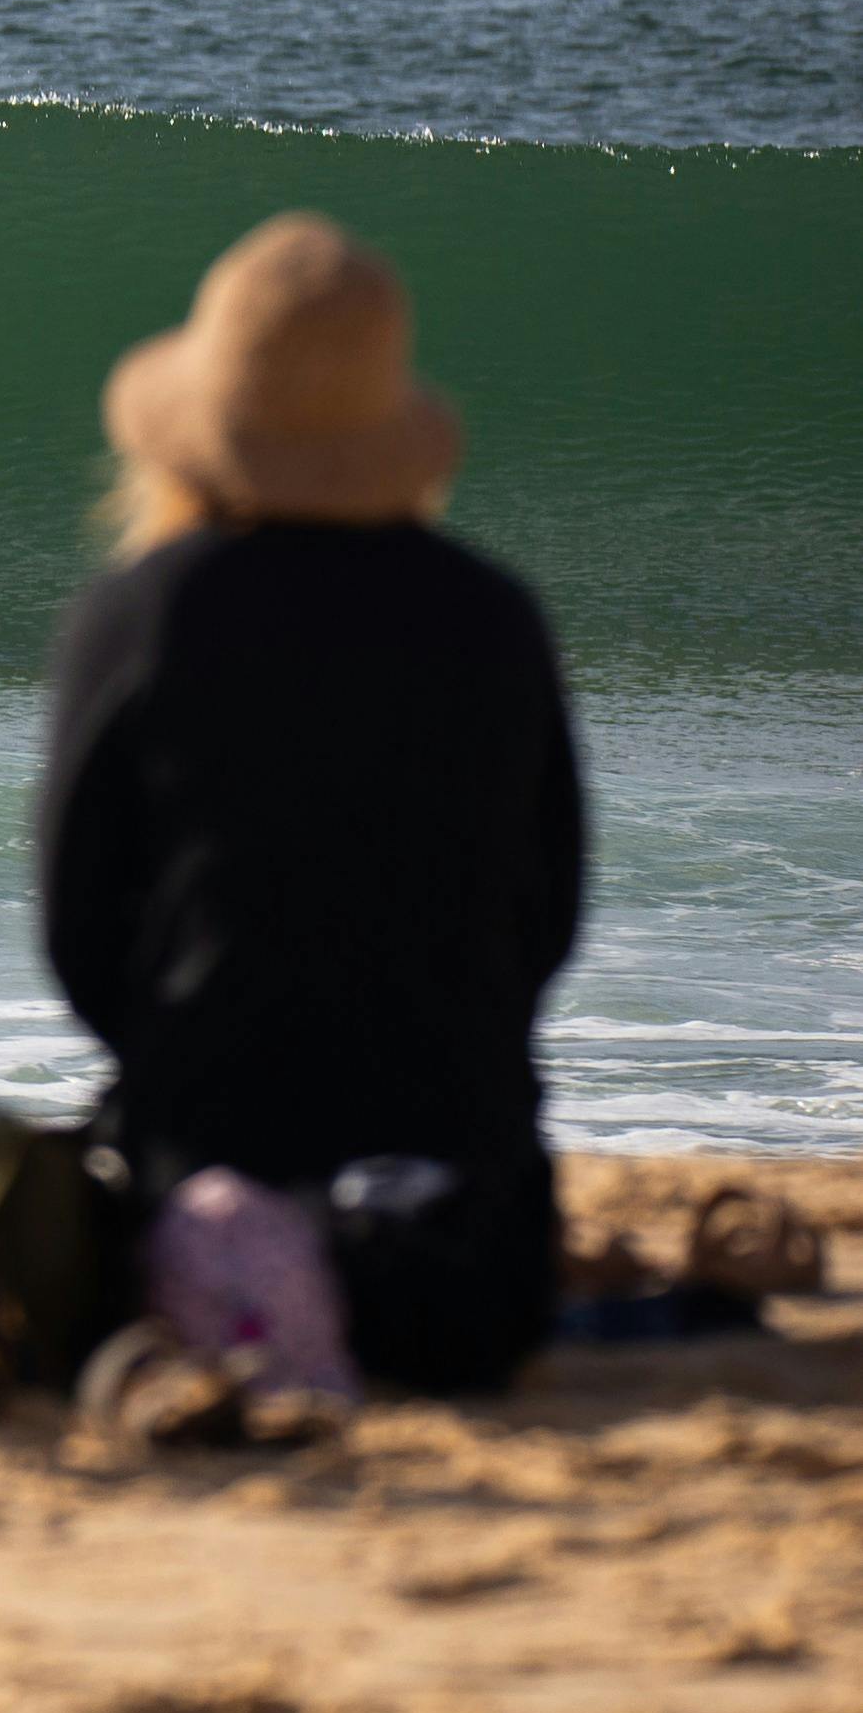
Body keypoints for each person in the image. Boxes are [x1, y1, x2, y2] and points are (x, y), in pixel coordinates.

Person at [42, 211, 583, 1397]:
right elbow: (546, 918)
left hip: (203, 1201)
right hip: (464, 1246)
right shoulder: (492, 617)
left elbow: (80, 940)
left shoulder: (139, 614)